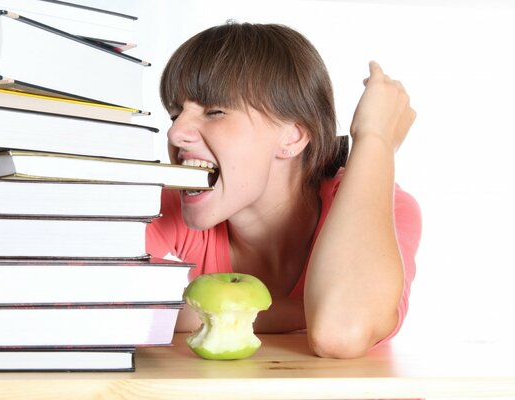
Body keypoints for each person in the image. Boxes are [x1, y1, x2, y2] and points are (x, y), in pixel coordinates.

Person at [146, 21, 422, 359]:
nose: (175, 134)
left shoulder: (390, 211)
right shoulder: (163, 207)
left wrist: (375, 138)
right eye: (175, 114)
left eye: (215, 111)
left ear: (292, 137)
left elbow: (340, 331)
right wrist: (297, 311)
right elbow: (103, 307)